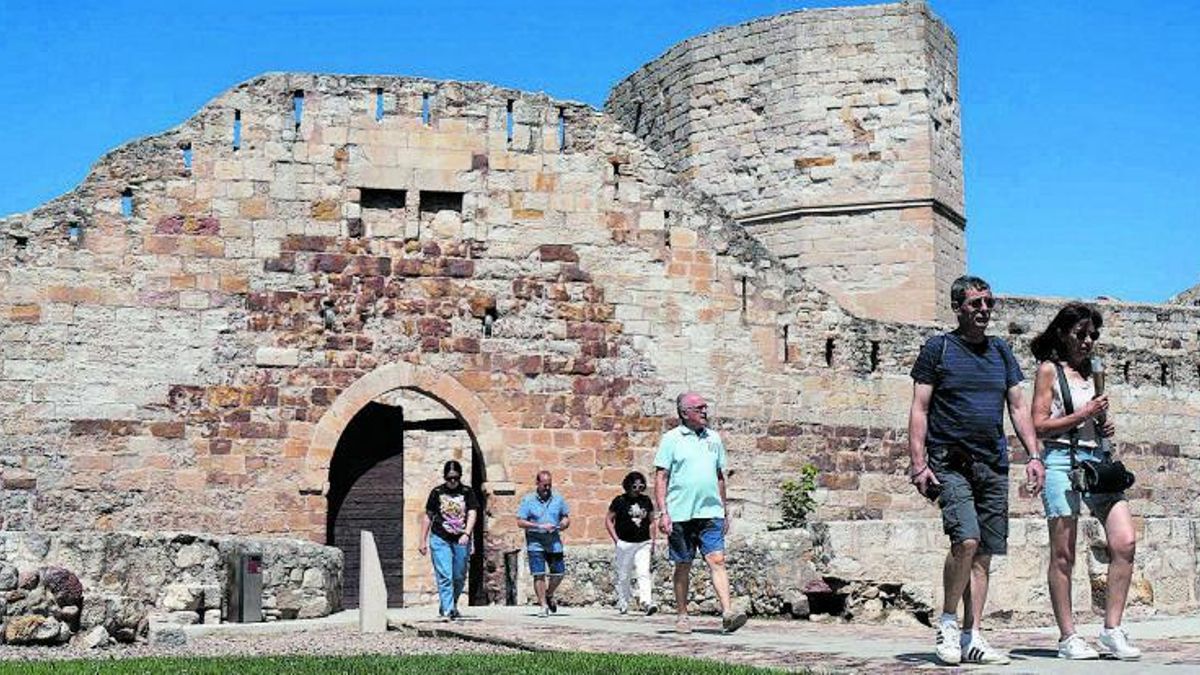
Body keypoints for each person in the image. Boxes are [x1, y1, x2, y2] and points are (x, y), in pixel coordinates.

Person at [908, 275, 1044, 665]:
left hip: (992, 463)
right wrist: (919, 464)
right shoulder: (939, 350)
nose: (984, 310)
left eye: (988, 303)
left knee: (983, 553)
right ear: (958, 308)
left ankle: (973, 635)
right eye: (975, 304)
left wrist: (1033, 455)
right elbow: (919, 408)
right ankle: (948, 622)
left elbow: (1018, 408)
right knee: (965, 541)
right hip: (950, 462)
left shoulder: (1001, 352)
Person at [1030, 303, 1141, 660]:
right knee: (1063, 554)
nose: (1088, 341)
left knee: (1124, 541)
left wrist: (1103, 424)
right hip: (1062, 460)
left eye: (1093, 335)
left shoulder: (1094, 372)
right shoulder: (1049, 371)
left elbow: (1094, 420)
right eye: (1081, 334)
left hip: (1098, 462)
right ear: (1062, 334)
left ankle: (1112, 629)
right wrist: (1083, 414)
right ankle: (1068, 637)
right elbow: (1040, 425)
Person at [655, 392, 747, 635]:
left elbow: (719, 476)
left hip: (710, 511)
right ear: (684, 413)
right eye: (699, 407)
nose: (705, 411)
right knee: (683, 564)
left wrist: (724, 510)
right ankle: (682, 615)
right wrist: (663, 512)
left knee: (717, 560)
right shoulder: (671, 439)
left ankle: (728, 612)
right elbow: (661, 477)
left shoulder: (714, 439)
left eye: (706, 407)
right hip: (680, 513)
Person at [418, 460, 478, 621]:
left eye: (456, 478)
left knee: (459, 576)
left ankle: (450, 605)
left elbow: (472, 513)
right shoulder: (436, 492)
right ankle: (448, 610)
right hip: (440, 537)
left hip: (461, 538)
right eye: (449, 478)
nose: (452, 481)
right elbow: (428, 516)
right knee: (445, 574)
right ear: (445, 477)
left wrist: (467, 533)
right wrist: (422, 540)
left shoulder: (467, 492)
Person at [516, 470, 570, 618]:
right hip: (535, 542)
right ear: (537, 483)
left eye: (549, 485)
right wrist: (539, 526)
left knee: (559, 573)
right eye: (544, 485)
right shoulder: (528, 501)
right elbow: (520, 521)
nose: (547, 488)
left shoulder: (558, 499)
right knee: (539, 574)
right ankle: (543, 605)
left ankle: (549, 593)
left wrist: (562, 525)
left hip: (554, 542)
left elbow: (565, 517)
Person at [606, 471, 659, 616]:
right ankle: (623, 601)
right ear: (628, 486)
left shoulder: (646, 501)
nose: (638, 489)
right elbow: (609, 520)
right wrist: (616, 540)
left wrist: (653, 540)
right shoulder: (620, 501)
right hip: (625, 542)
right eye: (635, 486)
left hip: (643, 542)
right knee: (624, 574)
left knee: (643, 572)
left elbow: (652, 521)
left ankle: (646, 602)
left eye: (641, 486)